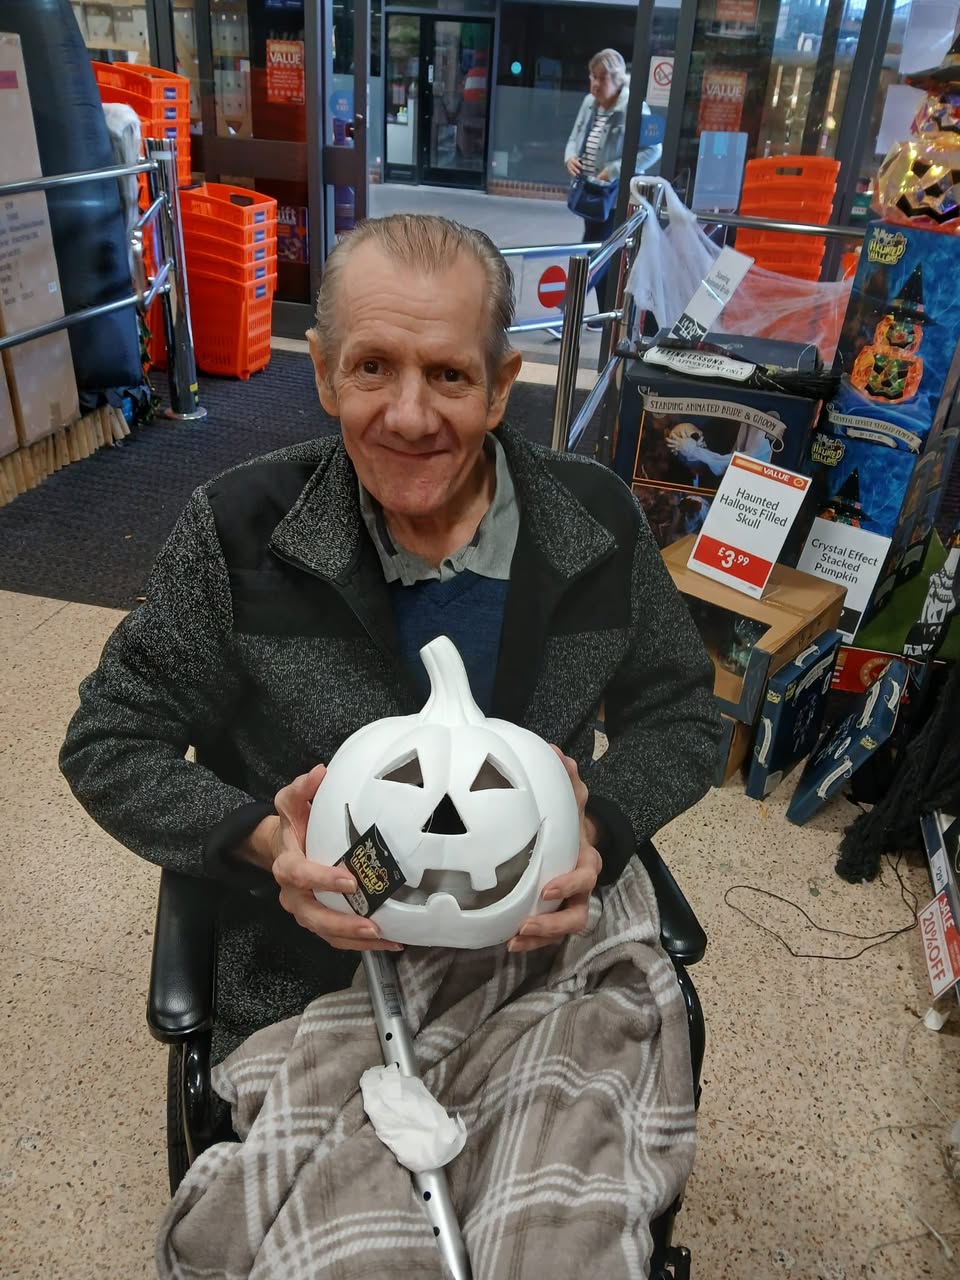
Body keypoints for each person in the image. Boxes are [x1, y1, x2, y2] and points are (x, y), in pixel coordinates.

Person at [59, 213, 720, 1068]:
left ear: (499, 387)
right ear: (326, 373)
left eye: (449, 374)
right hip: (310, 969)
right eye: (372, 367)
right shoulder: (238, 530)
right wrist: (263, 841)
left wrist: (598, 823)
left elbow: (681, 713)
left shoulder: (593, 525)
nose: (409, 418)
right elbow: (110, 740)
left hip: (536, 957)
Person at [549, 48, 662, 339]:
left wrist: (613, 170)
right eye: (592, 76)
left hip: (613, 196)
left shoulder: (633, 107)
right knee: (604, 254)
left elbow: (654, 149)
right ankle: (602, 318)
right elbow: (575, 135)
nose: (595, 83)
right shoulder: (590, 103)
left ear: (616, 78)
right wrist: (569, 157)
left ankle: (566, 313)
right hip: (590, 191)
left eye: (601, 78)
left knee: (594, 254)